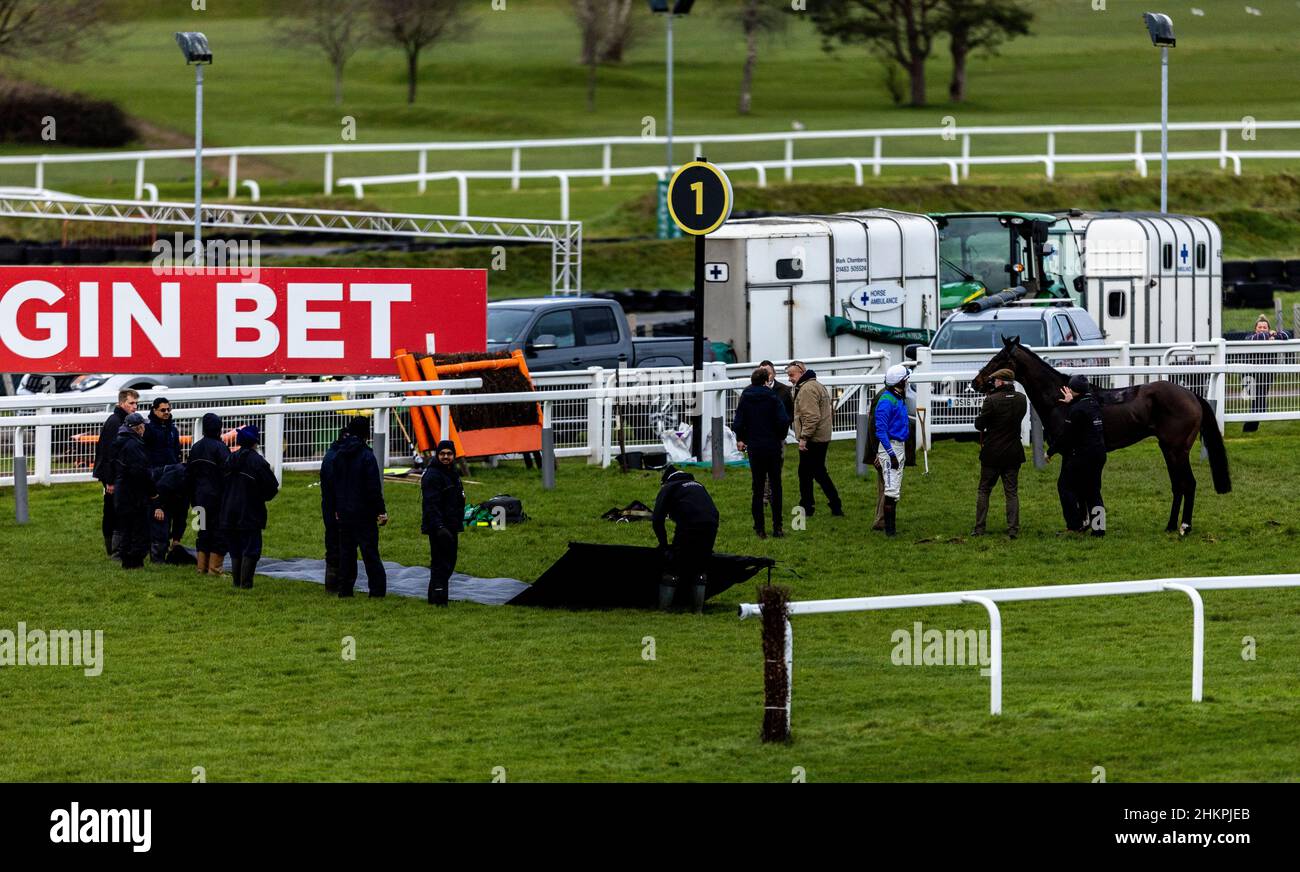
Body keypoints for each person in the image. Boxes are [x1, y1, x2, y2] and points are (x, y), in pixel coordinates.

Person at [330, 416, 389, 599]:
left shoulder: (339, 454)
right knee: (370, 553)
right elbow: (373, 487)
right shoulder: (367, 456)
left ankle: (345, 590)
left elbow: (335, 484)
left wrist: (337, 507)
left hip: (345, 512)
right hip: (364, 513)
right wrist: (381, 510)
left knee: (347, 554)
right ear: (367, 432)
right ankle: (377, 591)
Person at [652, 465, 720, 613]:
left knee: (673, 566)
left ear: (665, 480)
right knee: (700, 566)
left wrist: (664, 545)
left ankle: (664, 609)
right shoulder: (698, 485)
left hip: (690, 524)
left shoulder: (668, 487)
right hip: (712, 523)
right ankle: (698, 610)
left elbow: (657, 519)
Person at [219, 425, 280, 589]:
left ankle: (236, 582)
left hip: (228, 511)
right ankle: (246, 584)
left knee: (235, 548)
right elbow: (271, 488)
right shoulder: (258, 462)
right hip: (250, 511)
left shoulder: (230, 459)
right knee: (251, 548)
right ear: (255, 442)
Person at [732, 367, 790, 538]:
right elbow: (783, 420)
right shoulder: (772, 397)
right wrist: (779, 436)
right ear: (766, 380)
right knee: (775, 486)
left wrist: (742, 438)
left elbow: (738, 421)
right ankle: (777, 527)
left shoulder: (745, 397)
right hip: (772, 446)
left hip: (755, 447)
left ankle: (759, 529)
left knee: (757, 488)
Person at [972, 368, 1028, 539]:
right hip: (1013, 451)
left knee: (984, 490)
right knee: (1011, 492)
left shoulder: (991, 400)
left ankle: (980, 528)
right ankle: (1013, 529)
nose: (994, 383)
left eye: (996, 380)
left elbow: (980, 425)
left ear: (1001, 382)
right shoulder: (1021, 399)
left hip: (993, 453)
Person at [787, 360, 843, 518]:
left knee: (810, 473)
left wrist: (804, 437)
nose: (789, 378)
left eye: (791, 375)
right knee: (814, 472)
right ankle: (825, 504)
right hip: (821, 436)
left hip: (813, 439)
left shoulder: (806, 389)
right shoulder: (816, 385)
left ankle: (812, 506)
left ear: (801, 372)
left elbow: (811, 416)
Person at [1052, 374, 1107, 536]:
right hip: (1099, 453)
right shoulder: (1093, 403)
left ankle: (1074, 525)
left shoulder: (1076, 410)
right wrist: (1073, 401)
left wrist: (1050, 451)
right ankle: (1099, 529)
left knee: (1065, 486)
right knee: (1094, 491)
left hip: (1084, 455)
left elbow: (1067, 435)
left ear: (1073, 390)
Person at [93, 389, 138, 559]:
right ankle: (113, 548)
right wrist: (109, 481)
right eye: (131, 403)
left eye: (136, 403)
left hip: (117, 476)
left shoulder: (121, 421)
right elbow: (107, 454)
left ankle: (116, 547)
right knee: (112, 512)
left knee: (116, 511)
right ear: (121, 403)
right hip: (113, 478)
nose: (134, 407)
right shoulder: (115, 422)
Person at [142, 397, 187, 564]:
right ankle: (157, 552)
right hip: (156, 476)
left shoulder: (173, 430)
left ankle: (175, 545)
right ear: (154, 410)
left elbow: (176, 451)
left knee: (179, 511)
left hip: (173, 476)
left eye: (168, 409)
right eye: (163, 410)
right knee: (159, 515)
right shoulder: (148, 430)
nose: (167, 412)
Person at [421, 440, 465, 607]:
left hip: (451, 525)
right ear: (437, 455)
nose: (446, 457)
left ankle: (434, 597)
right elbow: (431, 504)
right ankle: (439, 599)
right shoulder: (433, 476)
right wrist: (439, 527)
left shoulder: (452, 473)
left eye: (449, 454)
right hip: (440, 527)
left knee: (449, 562)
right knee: (441, 563)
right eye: (442, 454)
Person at [111, 412, 155, 570]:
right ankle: (135, 562)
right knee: (138, 529)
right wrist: (152, 490)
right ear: (139, 428)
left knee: (126, 528)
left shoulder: (120, 441)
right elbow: (141, 472)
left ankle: (127, 560)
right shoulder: (134, 445)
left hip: (122, 492)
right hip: (134, 494)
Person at [187, 413, 229, 576]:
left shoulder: (196, 447)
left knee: (202, 531)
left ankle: (201, 568)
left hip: (198, 498)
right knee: (218, 532)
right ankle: (215, 569)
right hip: (217, 499)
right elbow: (227, 472)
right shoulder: (220, 448)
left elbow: (189, 474)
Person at [873, 364, 911, 536]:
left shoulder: (898, 397)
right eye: (906, 379)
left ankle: (891, 529)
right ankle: (890, 531)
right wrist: (890, 454)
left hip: (898, 446)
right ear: (900, 382)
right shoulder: (886, 401)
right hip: (891, 449)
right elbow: (880, 430)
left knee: (894, 491)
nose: (908, 382)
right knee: (890, 491)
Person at [1243, 315, 1292, 433]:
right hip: (1249, 375)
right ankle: (1250, 426)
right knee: (1256, 398)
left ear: (1269, 328)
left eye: (1265, 327)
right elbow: (1256, 338)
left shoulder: (1273, 336)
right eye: (1259, 327)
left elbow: (1287, 335)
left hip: (1266, 375)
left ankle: (1250, 428)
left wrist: (1275, 335)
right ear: (1255, 329)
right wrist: (1270, 335)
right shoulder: (1250, 337)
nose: (1262, 329)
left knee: (1260, 402)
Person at [318, 427, 347, 594]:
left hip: (330, 506)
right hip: (336, 507)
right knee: (340, 544)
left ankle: (332, 583)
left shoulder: (330, 455)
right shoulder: (338, 458)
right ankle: (338, 584)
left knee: (333, 543)